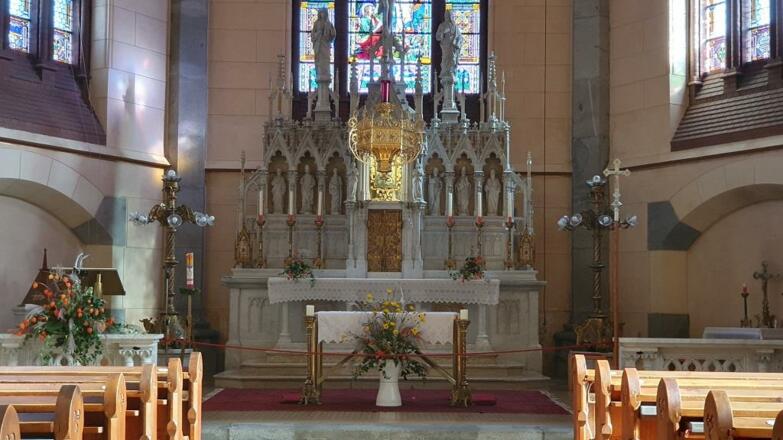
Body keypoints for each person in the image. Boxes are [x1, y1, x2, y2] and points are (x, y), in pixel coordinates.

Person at [311, 8, 336, 81]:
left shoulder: (329, 23)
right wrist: (318, 34)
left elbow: (333, 34)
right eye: (321, 13)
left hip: (326, 45)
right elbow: (313, 35)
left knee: (325, 59)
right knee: (319, 59)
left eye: (324, 13)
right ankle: (319, 73)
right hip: (318, 45)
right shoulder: (316, 23)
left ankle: (326, 73)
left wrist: (329, 32)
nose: (323, 14)